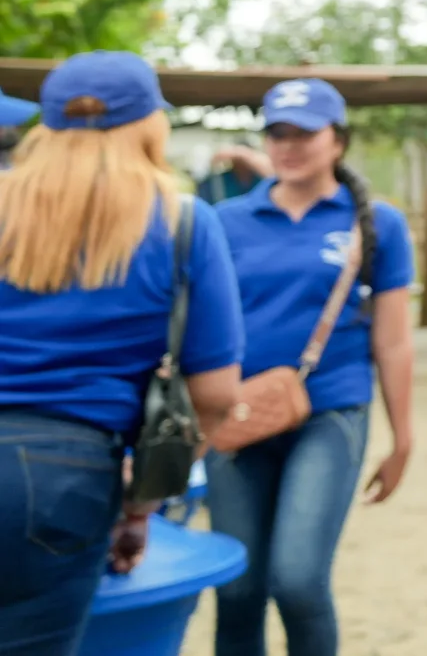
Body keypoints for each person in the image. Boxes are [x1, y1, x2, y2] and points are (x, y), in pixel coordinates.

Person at [0, 53, 244, 652]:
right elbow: (216, 396)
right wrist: (140, 506)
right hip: (63, 475)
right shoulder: (183, 224)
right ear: (149, 125)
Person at [208, 79, 416, 656]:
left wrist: (402, 438)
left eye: (304, 133)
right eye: (277, 133)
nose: (288, 145)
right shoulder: (223, 220)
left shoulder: (377, 224)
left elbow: (394, 341)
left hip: (330, 409)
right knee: (237, 587)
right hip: (239, 412)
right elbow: (196, 327)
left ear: (338, 141)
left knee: (298, 581)